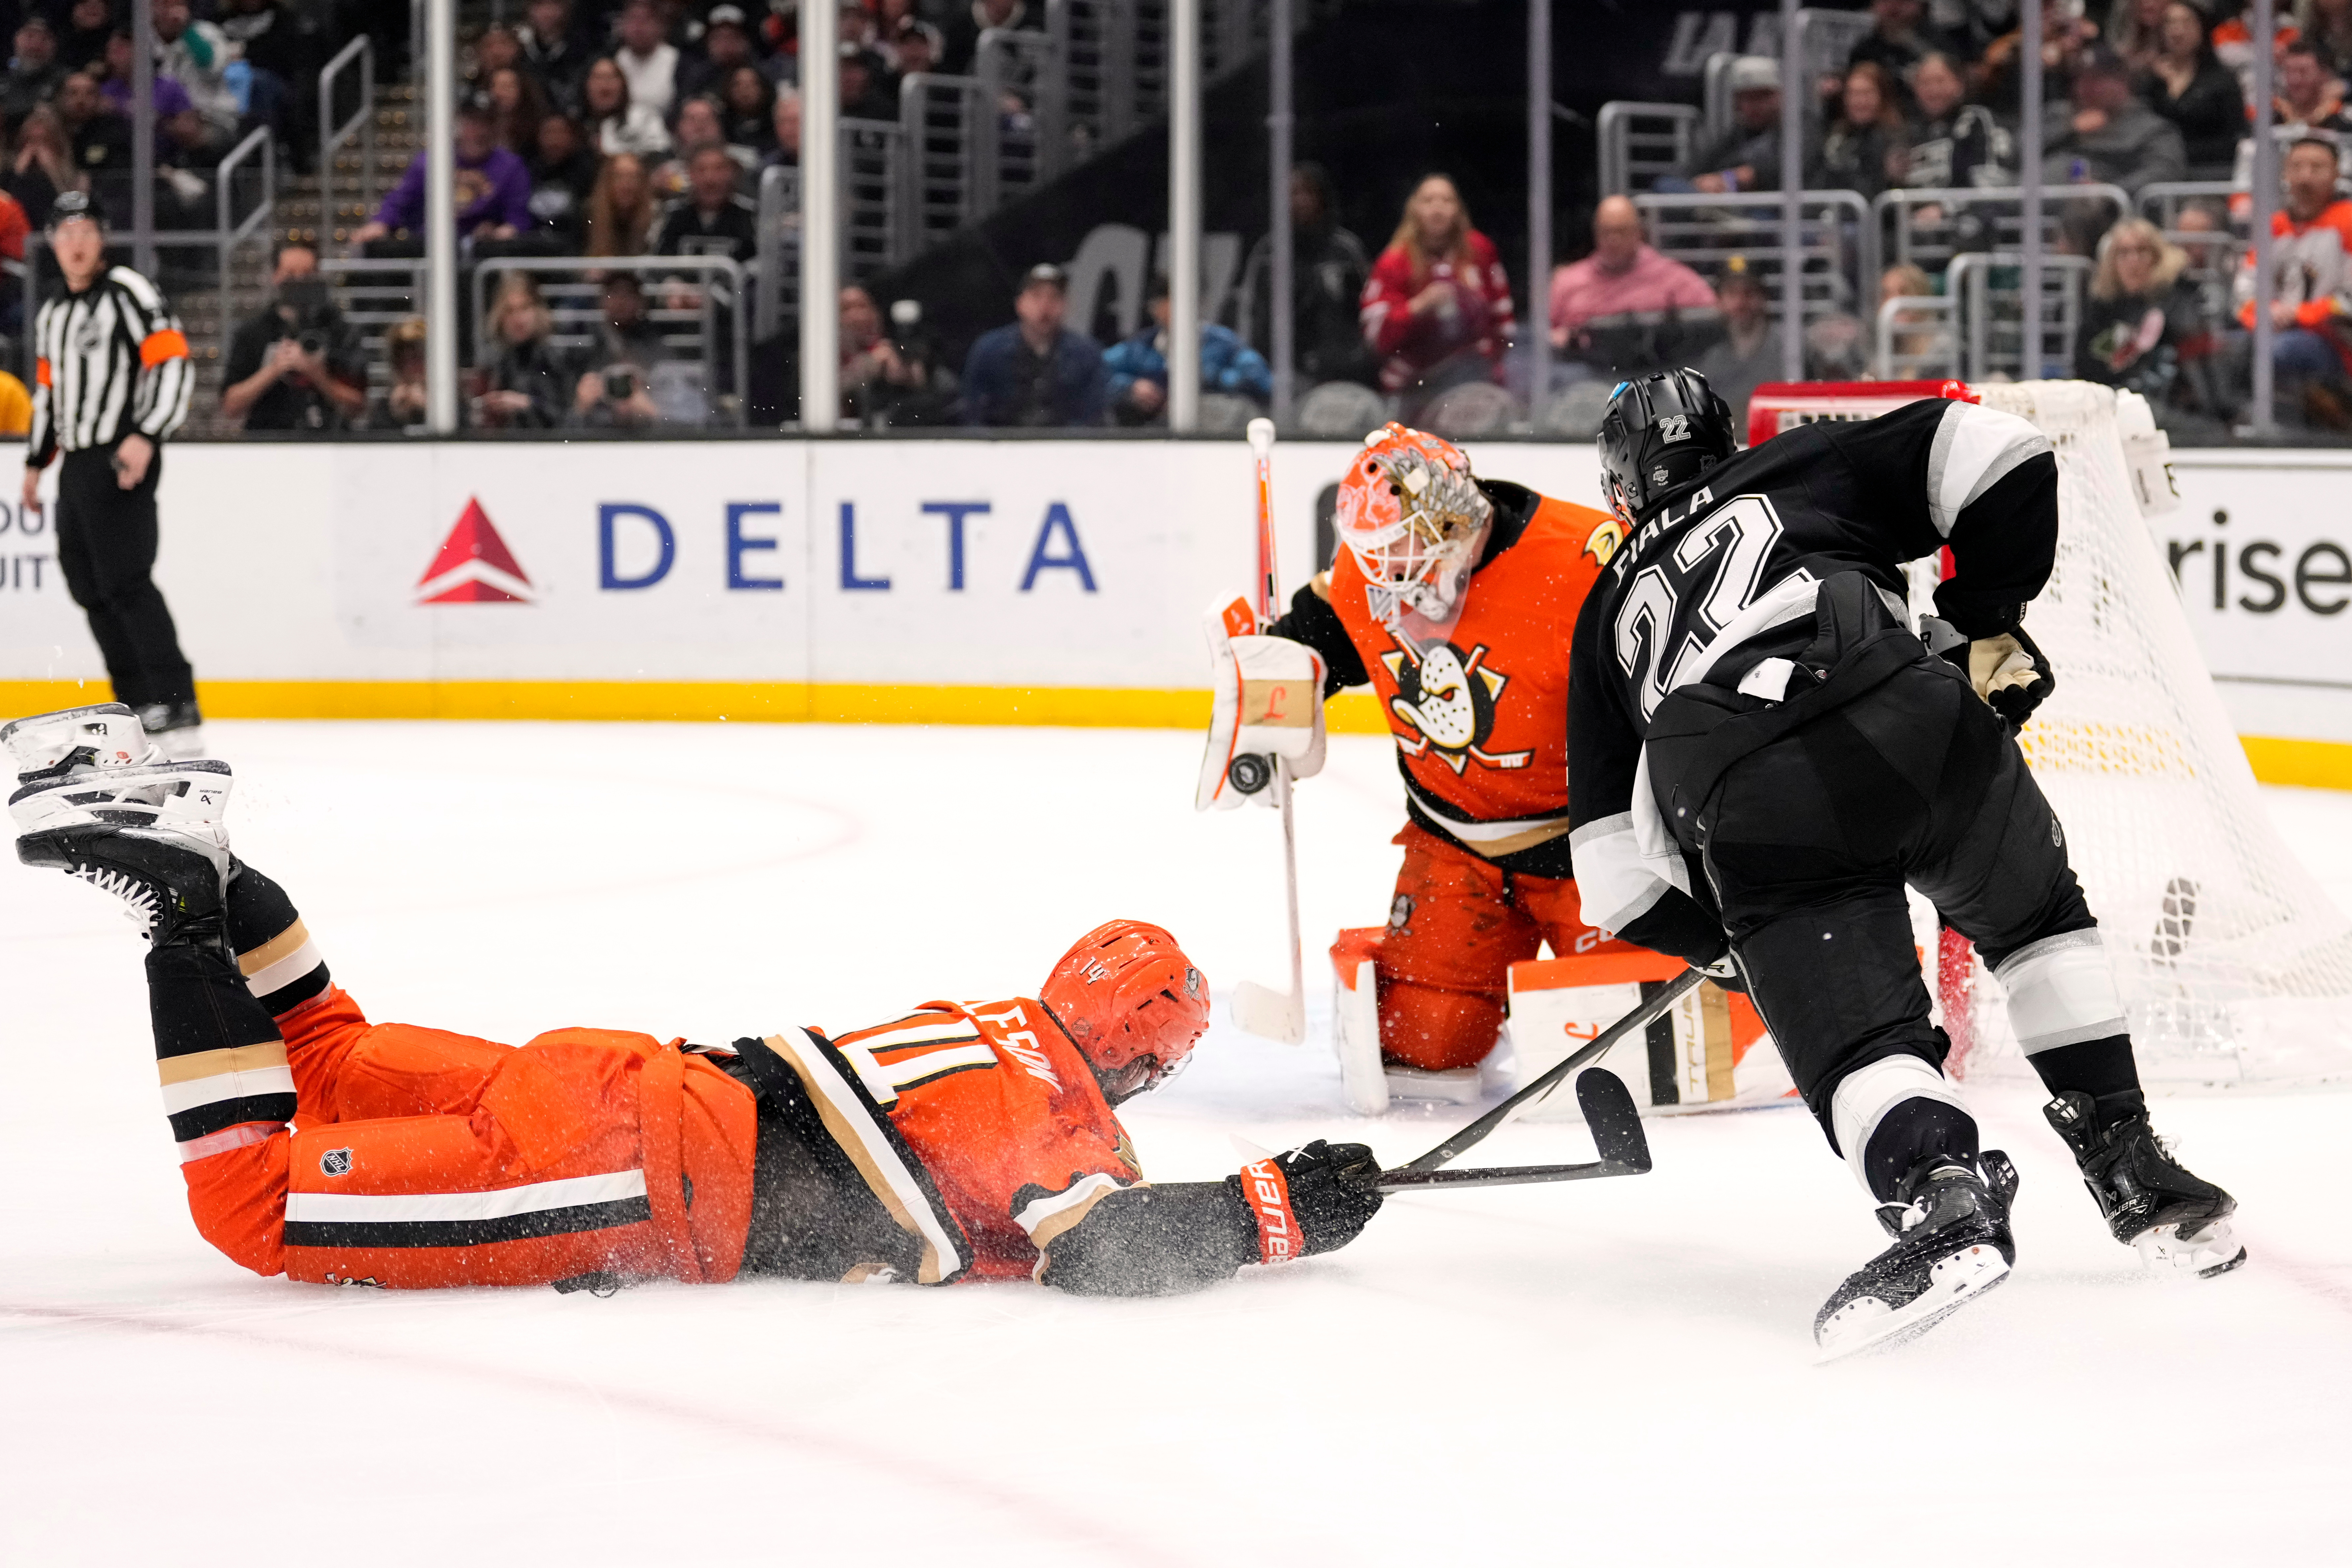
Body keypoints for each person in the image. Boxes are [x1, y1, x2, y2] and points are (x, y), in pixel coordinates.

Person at [1, 706, 1385, 1296]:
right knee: (252, 1204)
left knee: (330, 1047)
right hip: (622, 1175)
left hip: (616, 1071)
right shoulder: (1063, 1126)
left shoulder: (981, 1014)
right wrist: (1273, 1211)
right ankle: (184, 903)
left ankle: (220, 852)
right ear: (1143, 1067)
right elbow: (1095, 1250)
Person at [1570, 369, 2245, 1356]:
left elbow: (1611, 877)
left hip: (1760, 806)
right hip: (1916, 718)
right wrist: (1981, 618)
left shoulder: (1604, 609)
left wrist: (1732, 946)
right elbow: (2005, 452)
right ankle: (2135, 1169)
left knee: (1863, 1052)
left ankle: (1942, 1194)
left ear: (1622, 487)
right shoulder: (1803, 458)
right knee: (2039, 921)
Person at [1206, 424, 1681, 1109]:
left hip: (1595, 842)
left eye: (1403, 550)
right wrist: (1268, 689)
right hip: (1453, 844)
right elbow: (1313, 648)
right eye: (1372, 554)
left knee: (1643, 1044)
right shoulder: (1368, 571)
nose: (1389, 576)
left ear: (1458, 518)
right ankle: (1450, 972)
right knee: (1425, 1042)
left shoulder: (1586, 563)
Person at [20, 192, 201, 756]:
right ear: (53, 242)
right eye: (65, 232)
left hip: (121, 454)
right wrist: (35, 462)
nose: (75, 242)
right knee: (89, 584)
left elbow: (172, 359)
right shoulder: (53, 312)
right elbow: (49, 394)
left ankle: (174, 697)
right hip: (77, 462)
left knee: (126, 578)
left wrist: (147, 433)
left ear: (102, 239)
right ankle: (135, 697)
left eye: (86, 230)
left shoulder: (128, 291)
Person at [1359, 174, 1515, 420]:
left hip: (1472, 375)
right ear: (1415, 209)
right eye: (1429, 200)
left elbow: (1503, 321)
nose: (1438, 208)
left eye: (1446, 200)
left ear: (1458, 209)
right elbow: (1377, 337)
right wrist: (1418, 307)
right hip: (1411, 382)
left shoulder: (1481, 252)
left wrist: (1491, 358)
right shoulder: (1394, 261)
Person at [2232, 136, 2352, 425]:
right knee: (2228, 348)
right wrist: (2263, 314)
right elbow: (2245, 289)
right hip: (2275, 331)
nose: (2305, 177)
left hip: (2336, 341)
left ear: (2337, 174)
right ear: (2285, 173)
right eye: (2297, 167)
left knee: (2281, 351)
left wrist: (2299, 315)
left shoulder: (2348, 221)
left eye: (2317, 168)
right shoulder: (2274, 225)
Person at [1239, 162, 1374, 390]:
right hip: (1281, 375)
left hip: (1341, 374)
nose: (1302, 200)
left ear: (1322, 197)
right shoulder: (1267, 253)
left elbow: (1370, 310)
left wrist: (1356, 360)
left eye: (1309, 192)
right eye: (1294, 193)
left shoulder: (1346, 251)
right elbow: (1250, 315)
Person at [1547, 195, 1717, 376]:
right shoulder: (1568, 281)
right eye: (1607, 232)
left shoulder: (1670, 277)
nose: (1613, 240)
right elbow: (1544, 334)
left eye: (1621, 232)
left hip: (1654, 373)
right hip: (1586, 373)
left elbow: (1711, 314)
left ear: (1638, 233)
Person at [218, 242, 367, 432]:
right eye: (290, 275)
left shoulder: (341, 331)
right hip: (268, 441)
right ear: (275, 276)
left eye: (307, 275)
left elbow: (358, 406)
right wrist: (274, 369)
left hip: (329, 441)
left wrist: (318, 374)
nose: (298, 283)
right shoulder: (253, 332)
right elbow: (230, 406)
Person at [351, 103, 532, 251]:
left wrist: (503, 232)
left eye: (485, 123)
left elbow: (518, 216)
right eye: (471, 122)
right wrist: (381, 223)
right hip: (430, 246)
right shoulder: (431, 162)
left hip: (485, 250)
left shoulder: (511, 167)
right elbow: (401, 200)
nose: (477, 131)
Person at [1103, 273, 1272, 424]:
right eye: (1158, 303)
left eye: (1170, 301)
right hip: (1155, 433)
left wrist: (1206, 382)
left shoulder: (1223, 343)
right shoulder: (1140, 347)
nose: (1162, 309)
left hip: (1213, 433)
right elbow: (1099, 372)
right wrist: (1132, 386)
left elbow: (1260, 380)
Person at [960, 262, 1107, 427]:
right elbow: (973, 414)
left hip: (1065, 448)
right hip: (1001, 447)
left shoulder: (1087, 354)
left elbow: (1092, 417)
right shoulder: (989, 350)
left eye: (1055, 297)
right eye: (1036, 296)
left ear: (1066, 306)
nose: (1045, 306)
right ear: (1020, 304)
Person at [2076, 216, 2202, 401]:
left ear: (2157, 257)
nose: (2133, 261)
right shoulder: (2101, 307)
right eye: (2124, 253)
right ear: (2112, 261)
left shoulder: (2178, 300)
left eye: (2142, 251)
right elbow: (2085, 367)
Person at [2040, 42, 2185, 195]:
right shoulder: (2056, 116)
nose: (2086, 87)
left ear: (2122, 82)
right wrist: (2069, 129)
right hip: (2032, 205)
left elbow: (2164, 173)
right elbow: (2016, 153)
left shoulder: (2153, 129)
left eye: (2097, 79)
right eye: (2080, 78)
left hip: (2109, 211)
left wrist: (2110, 193)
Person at [2137, 1, 2247, 178]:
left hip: (2209, 175)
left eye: (2186, 23)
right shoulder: (2152, 82)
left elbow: (2233, 138)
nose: (2177, 31)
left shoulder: (2222, 80)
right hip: (2158, 175)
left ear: (2201, 28)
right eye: (2170, 23)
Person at [1673, 55, 1795, 194]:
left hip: (1777, 209)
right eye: (1747, 98)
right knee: (1669, 186)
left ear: (1780, 96)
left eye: (1762, 96)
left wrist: (1726, 180)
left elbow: (1768, 172)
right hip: (1733, 207)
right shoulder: (1739, 133)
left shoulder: (1799, 128)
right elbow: (1694, 169)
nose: (1755, 106)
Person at [1894, 51, 2012, 193]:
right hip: (1912, 214)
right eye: (1925, 83)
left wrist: (1947, 209)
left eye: (1940, 81)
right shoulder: (1908, 131)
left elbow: (1994, 184)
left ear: (1959, 84)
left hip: (1963, 214)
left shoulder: (1978, 121)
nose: (1933, 90)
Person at [473, 272, 574, 430]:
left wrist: (527, 404)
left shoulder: (555, 359)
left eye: (524, 308)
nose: (518, 319)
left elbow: (564, 416)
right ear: (500, 316)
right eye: (510, 311)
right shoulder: (491, 361)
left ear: (537, 311)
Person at [570, 270, 666, 428]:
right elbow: (561, 429)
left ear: (641, 302)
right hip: (595, 435)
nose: (620, 302)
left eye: (627, 295)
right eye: (614, 294)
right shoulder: (582, 351)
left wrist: (653, 413)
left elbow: (686, 423)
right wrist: (581, 409)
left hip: (648, 437)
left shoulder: (658, 350)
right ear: (601, 301)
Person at [1691, 258, 1778, 425]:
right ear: (1719, 300)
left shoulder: (1788, 347)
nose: (1741, 302)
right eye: (1732, 293)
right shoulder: (1707, 353)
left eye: (1749, 293)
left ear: (1764, 298)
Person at [1810, 60, 1908, 201]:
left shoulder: (1896, 138)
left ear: (1882, 96)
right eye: (1853, 94)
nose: (1859, 101)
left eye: (1866, 93)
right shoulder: (1837, 135)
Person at [838, 283, 934, 425]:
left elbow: (932, 385)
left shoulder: (897, 345)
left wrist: (907, 374)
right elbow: (824, 393)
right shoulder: (820, 355)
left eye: (863, 307)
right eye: (847, 309)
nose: (859, 316)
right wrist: (870, 365)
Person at [1848, 0, 1949, 105]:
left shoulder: (1935, 39)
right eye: (1885, 2)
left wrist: (1914, 45)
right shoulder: (1865, 50)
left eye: (1901, 2)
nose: (1893, 8)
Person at [524, 111, 599, 249]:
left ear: (573, 137)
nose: (555, 140)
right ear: (538, 136)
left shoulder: (588, 171)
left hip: (576, 246)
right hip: (530, 244)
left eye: (561, 132)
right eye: (549, 132)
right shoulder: (525, 168)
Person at [57, 69, 134, 202]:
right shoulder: (51, 130)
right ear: (61, 98)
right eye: (73, 93)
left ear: (100, 99)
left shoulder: (116, 132)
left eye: (89, 94)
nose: (81, 100)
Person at [581, 53, 670, 157]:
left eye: (611, 78)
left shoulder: (644, 118)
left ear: (623, 85)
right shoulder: (576, 125)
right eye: (598, 78)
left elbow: (662, 154)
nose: (605, 85)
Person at [612, 0, 681, 124]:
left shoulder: (678, 61)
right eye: (633, 20)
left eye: (646, 21)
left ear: (660, 26)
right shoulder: (613, 60)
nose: (639, 28)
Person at [517, 0, 591, 114]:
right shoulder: (521, 53)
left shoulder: (583, 51)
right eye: (539, 4)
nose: (547, 13)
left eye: (554, 4)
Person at [2269, 38, 2352, 134]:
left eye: (2304, 72)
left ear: (2324, 75)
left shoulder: (2343, 118)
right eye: (2289, 72)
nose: (2294, 80)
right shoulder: (2273, 117)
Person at [584, 149, 657, 256]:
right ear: (607, 183)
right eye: (619, 178)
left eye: (634, 178)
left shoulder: (657, 217)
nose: (627, 186)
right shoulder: (587, 217)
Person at [0, 16, 66, 134]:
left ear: (54, 45)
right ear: (17, 40)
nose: (36, 46)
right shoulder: (3, 77)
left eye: (44, 39)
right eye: (30, 37)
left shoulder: (65, 80)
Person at [942, 0, 1040, 77]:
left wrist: (1020, 98)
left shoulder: (1033, 24)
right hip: (970, 97)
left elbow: (1035, 75)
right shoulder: (960, 26)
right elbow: (950, 72)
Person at [369, 316, 429, 430]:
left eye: (418, 356)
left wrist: (429, 408)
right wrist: (397, 414)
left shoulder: (450, 401)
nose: (412, 365)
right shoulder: (385, 406)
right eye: (404, 358)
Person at [483, 64, 549, 156]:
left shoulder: (535, 127)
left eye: (506, 87)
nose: (499, 93)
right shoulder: (483, 123)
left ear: (522, 91)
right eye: (494, 87)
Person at [719, 62, 775, 156]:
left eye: (752, 84)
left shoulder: (775, 121)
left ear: (763, 88)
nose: (745, 90)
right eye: (738, 85)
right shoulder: (721, 123)